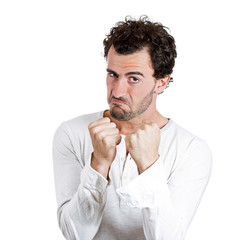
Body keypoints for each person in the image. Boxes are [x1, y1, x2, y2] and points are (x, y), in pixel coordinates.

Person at [52, 16, 212, 240]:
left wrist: (149, 165)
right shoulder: (72, 132)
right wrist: (98, 165)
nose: (117, 92)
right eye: (112, 75)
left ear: (162, 82)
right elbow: (75, 234)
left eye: (133, 79)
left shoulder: (191, 149)